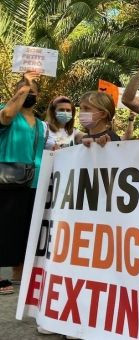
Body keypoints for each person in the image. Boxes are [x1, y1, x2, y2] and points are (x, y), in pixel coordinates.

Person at [0, 71, 52, 294]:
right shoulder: (6, 110)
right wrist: (26, 83)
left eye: (33, 92)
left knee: (24, 230)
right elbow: (7, 115)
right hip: (7, 180)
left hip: (33, 183)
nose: (29, 94)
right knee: (3, 226)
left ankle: (19, 275)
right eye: (24, 91)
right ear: (16, 93)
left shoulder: (42, 124)